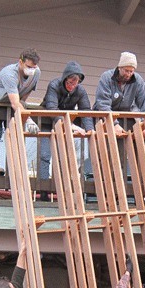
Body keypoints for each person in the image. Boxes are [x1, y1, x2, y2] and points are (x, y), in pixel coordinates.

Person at [38, 61, 94, 200]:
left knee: (62, 156)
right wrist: (70, 125)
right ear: (65, 79)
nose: (72, 86)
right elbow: (52, 109)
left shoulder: (80, 91)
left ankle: (60, 190)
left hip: (66, 126)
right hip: (48, 121)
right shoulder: (54, 85)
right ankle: (43, 190)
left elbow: (85, 111)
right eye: (69, 82)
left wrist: (90, 130)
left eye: (75, 84)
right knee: (45, 154)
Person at [0, 48, 41, 175]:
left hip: (12, 106)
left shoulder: (36, 73)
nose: (31, 69)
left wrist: (23, 106)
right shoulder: (9, 73)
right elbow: (15, 102)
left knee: (14, 134)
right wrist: (29, 120)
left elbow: (25, 94)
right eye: (28, 66)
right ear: (20, 62)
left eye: (34, 67)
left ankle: (15, 169)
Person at [93, 51, 145, 133]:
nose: (128, 74)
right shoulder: (106, 77)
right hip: (103, 118)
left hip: (124, 118)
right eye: (126, 71)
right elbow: (103, 104)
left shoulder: (138, 80)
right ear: (119, 67)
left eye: (131, 71)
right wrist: (114, 124)